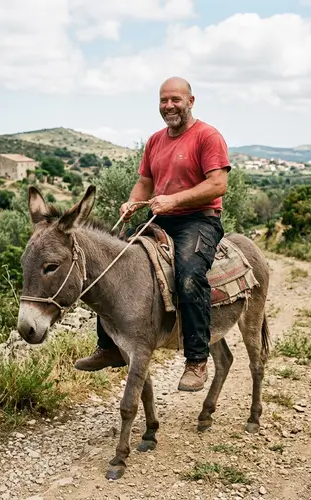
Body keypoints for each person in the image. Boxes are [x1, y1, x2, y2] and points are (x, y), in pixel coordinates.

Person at [74, 76, 230, 392]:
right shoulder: (156, 140)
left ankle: (197, 359)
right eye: (163, 100)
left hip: (199, 221)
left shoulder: (208, 137)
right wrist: (133, 201)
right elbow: (145, 183)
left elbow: (218, 184)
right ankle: (108, 346)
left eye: (175, 99)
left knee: (188, 275)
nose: (169, 106)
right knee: (110, 263)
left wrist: (173, 199)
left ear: (191, 101)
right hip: (159, 218)